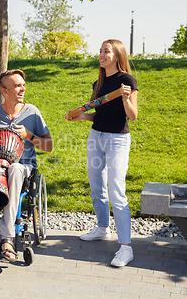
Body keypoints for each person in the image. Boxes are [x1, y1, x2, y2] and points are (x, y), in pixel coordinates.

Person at [65, 39, 138, 267]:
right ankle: (102, 228)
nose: (101, 54)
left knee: (116, 190)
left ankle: (126, 247)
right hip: (96, 137)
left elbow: (133, 115)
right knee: (97, 186)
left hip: (117, 140)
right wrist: (80, 116)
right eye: (100, 51)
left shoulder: (127, 80)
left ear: (117, 55)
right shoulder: (99, 83)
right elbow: (98, 115)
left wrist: (126, 99)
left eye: (106, 51)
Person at [0, 69, 53, 262]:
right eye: (17, 85)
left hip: (23, 167)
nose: (22, 89)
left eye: (23, 85)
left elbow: (48, 146)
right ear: (4, 90)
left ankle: (8, 238)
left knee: (15, 169)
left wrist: (29, 136)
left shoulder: (32, 112)